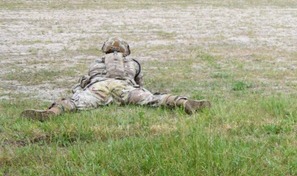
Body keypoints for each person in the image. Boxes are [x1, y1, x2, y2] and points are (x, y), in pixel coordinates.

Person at [21, 38, 211, 121]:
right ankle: (182, 102)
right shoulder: (133, 63)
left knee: (75, 102)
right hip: (124, 87)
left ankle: (53, 112)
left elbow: (85, 81)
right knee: (153, 99)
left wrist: (78, 90)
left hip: (99, 87)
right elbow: (140, 84)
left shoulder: (96, 63)